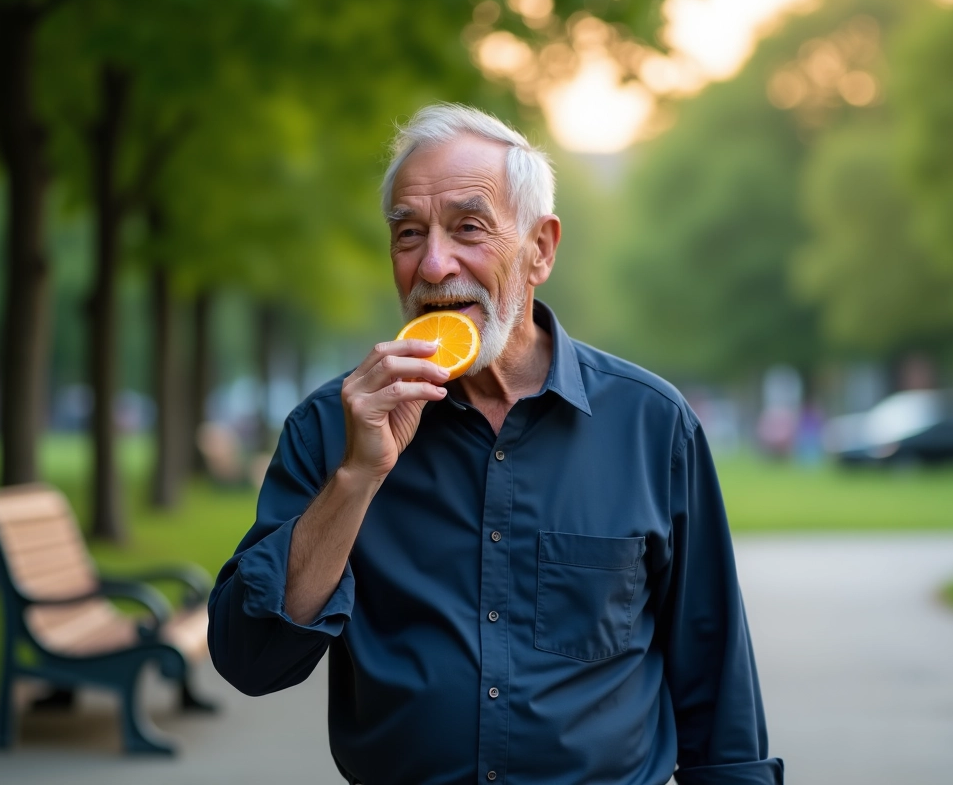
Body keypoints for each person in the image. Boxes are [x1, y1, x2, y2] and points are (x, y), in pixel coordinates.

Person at [208, 103, 783, 785]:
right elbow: (253, 660)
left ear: (540, 249)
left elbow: (715, 681)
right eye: (408, 234)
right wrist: (358, 477)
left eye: (468, 228)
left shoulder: (652, 426)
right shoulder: (329, 427)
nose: (432, 263)